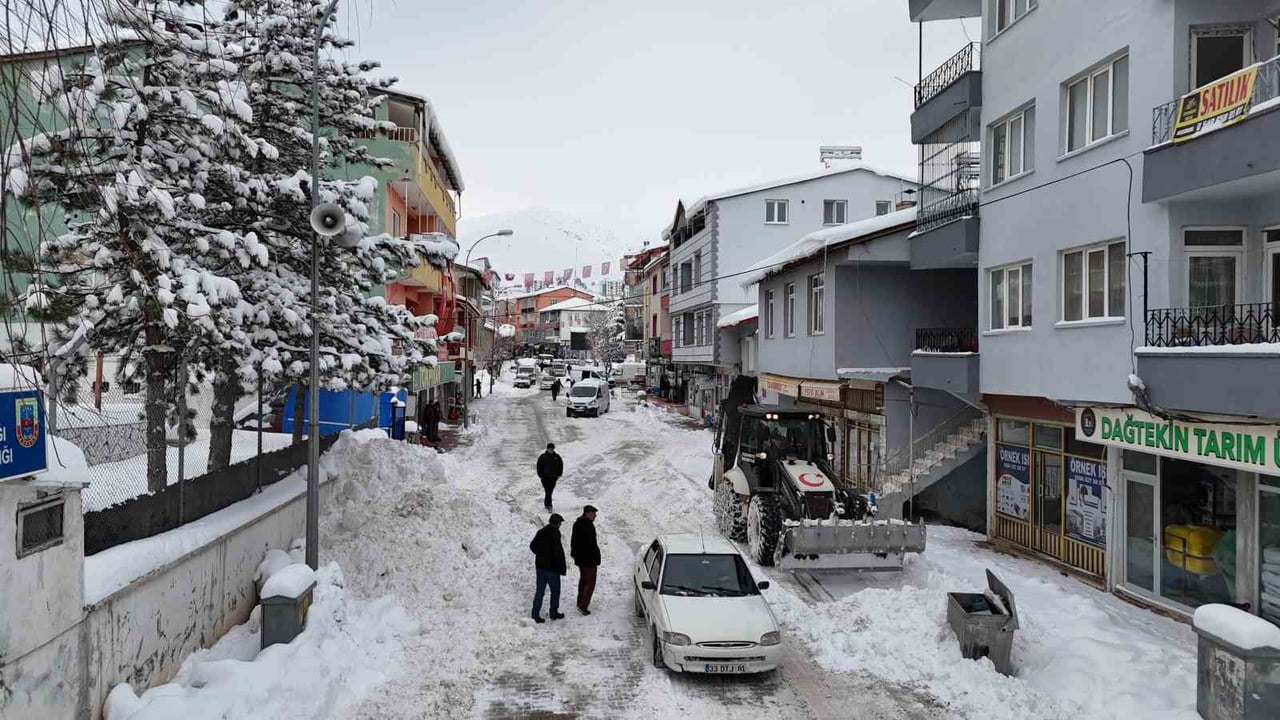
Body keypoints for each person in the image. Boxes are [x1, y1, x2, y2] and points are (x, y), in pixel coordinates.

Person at [529, 513, 567, 623]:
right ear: (557, 523)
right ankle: (553, 613)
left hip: (540, 567)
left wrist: (540, 555)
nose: (560, 525)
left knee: (540, 592)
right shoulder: (555, 533)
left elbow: (532, 546)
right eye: (560, 523)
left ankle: (535, 614)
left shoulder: (541, 532)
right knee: (555, 591)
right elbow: (557, 551)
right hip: (552, 568)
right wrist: (559, 565)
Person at [570, 505, 600, 615]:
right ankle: (583, 606)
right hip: (589, 560)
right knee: (590, 583)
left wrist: (574, 554)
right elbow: (591, 544)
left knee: (583, 580)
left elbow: (573, 540)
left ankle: (580, 602)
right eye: (594, 513)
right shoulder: (588, 525)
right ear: (588, 513)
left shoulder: (577, 523)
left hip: (581, 559)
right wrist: (595, 557)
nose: (595, 515)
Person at [536, 442, 564, 511]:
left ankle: (547, 505)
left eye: (552, 449)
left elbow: (561, 465)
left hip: (553, 478)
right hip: (545, 478)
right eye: (550, 449)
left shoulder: (557, 457)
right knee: (548, 491)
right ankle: (549, 506)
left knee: (549, 492)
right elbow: (538, 466)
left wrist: (559, 474)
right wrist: (540, 475)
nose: (551, 450)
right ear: (547, 449)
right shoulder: (543, 457)